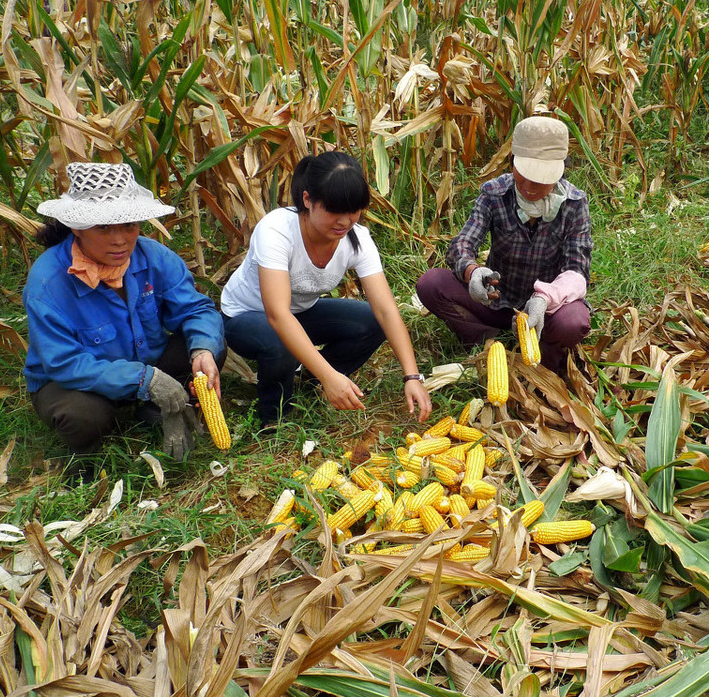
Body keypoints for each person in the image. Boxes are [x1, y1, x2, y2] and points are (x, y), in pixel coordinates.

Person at [24, 162, 226, 468]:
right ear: (76, 228)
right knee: (82, 418)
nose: (120, 239)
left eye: (129, 225)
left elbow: (196, 309)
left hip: (147, 360)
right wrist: (146, 380)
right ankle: (88, 450)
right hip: (75, 380)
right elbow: (64, 362)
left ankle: (155, 409)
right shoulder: (48, 282)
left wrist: (203, 349)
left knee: (209, 349)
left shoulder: (154, 257)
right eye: (104, 227)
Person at [220, 151, 432, 427]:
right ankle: (274, 419)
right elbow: (278, 315)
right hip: (246, 316)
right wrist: (329, 376)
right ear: (307, 200)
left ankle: (308, 380)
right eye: (334, 211)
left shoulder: (357, 239)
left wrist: (412, 376)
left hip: (301, 313)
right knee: (280, 342)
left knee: (370, 321)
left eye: (353, 210)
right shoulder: (276, 231)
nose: (345, 221)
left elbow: (386, 310)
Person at [416, 116, 592, 375]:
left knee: (574, 321)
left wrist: (544, 299)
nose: (530, 187)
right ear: (512, 162)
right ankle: (485, 340)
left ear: (560, 171)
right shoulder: (494, 193)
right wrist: (473, 271)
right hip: (498, 301)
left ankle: (547, 356)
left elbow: (577, 271)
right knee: (431, 284)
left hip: (546, 308)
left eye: (541, 179)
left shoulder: (575, 204)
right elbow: (463, 243)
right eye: (524, 176)